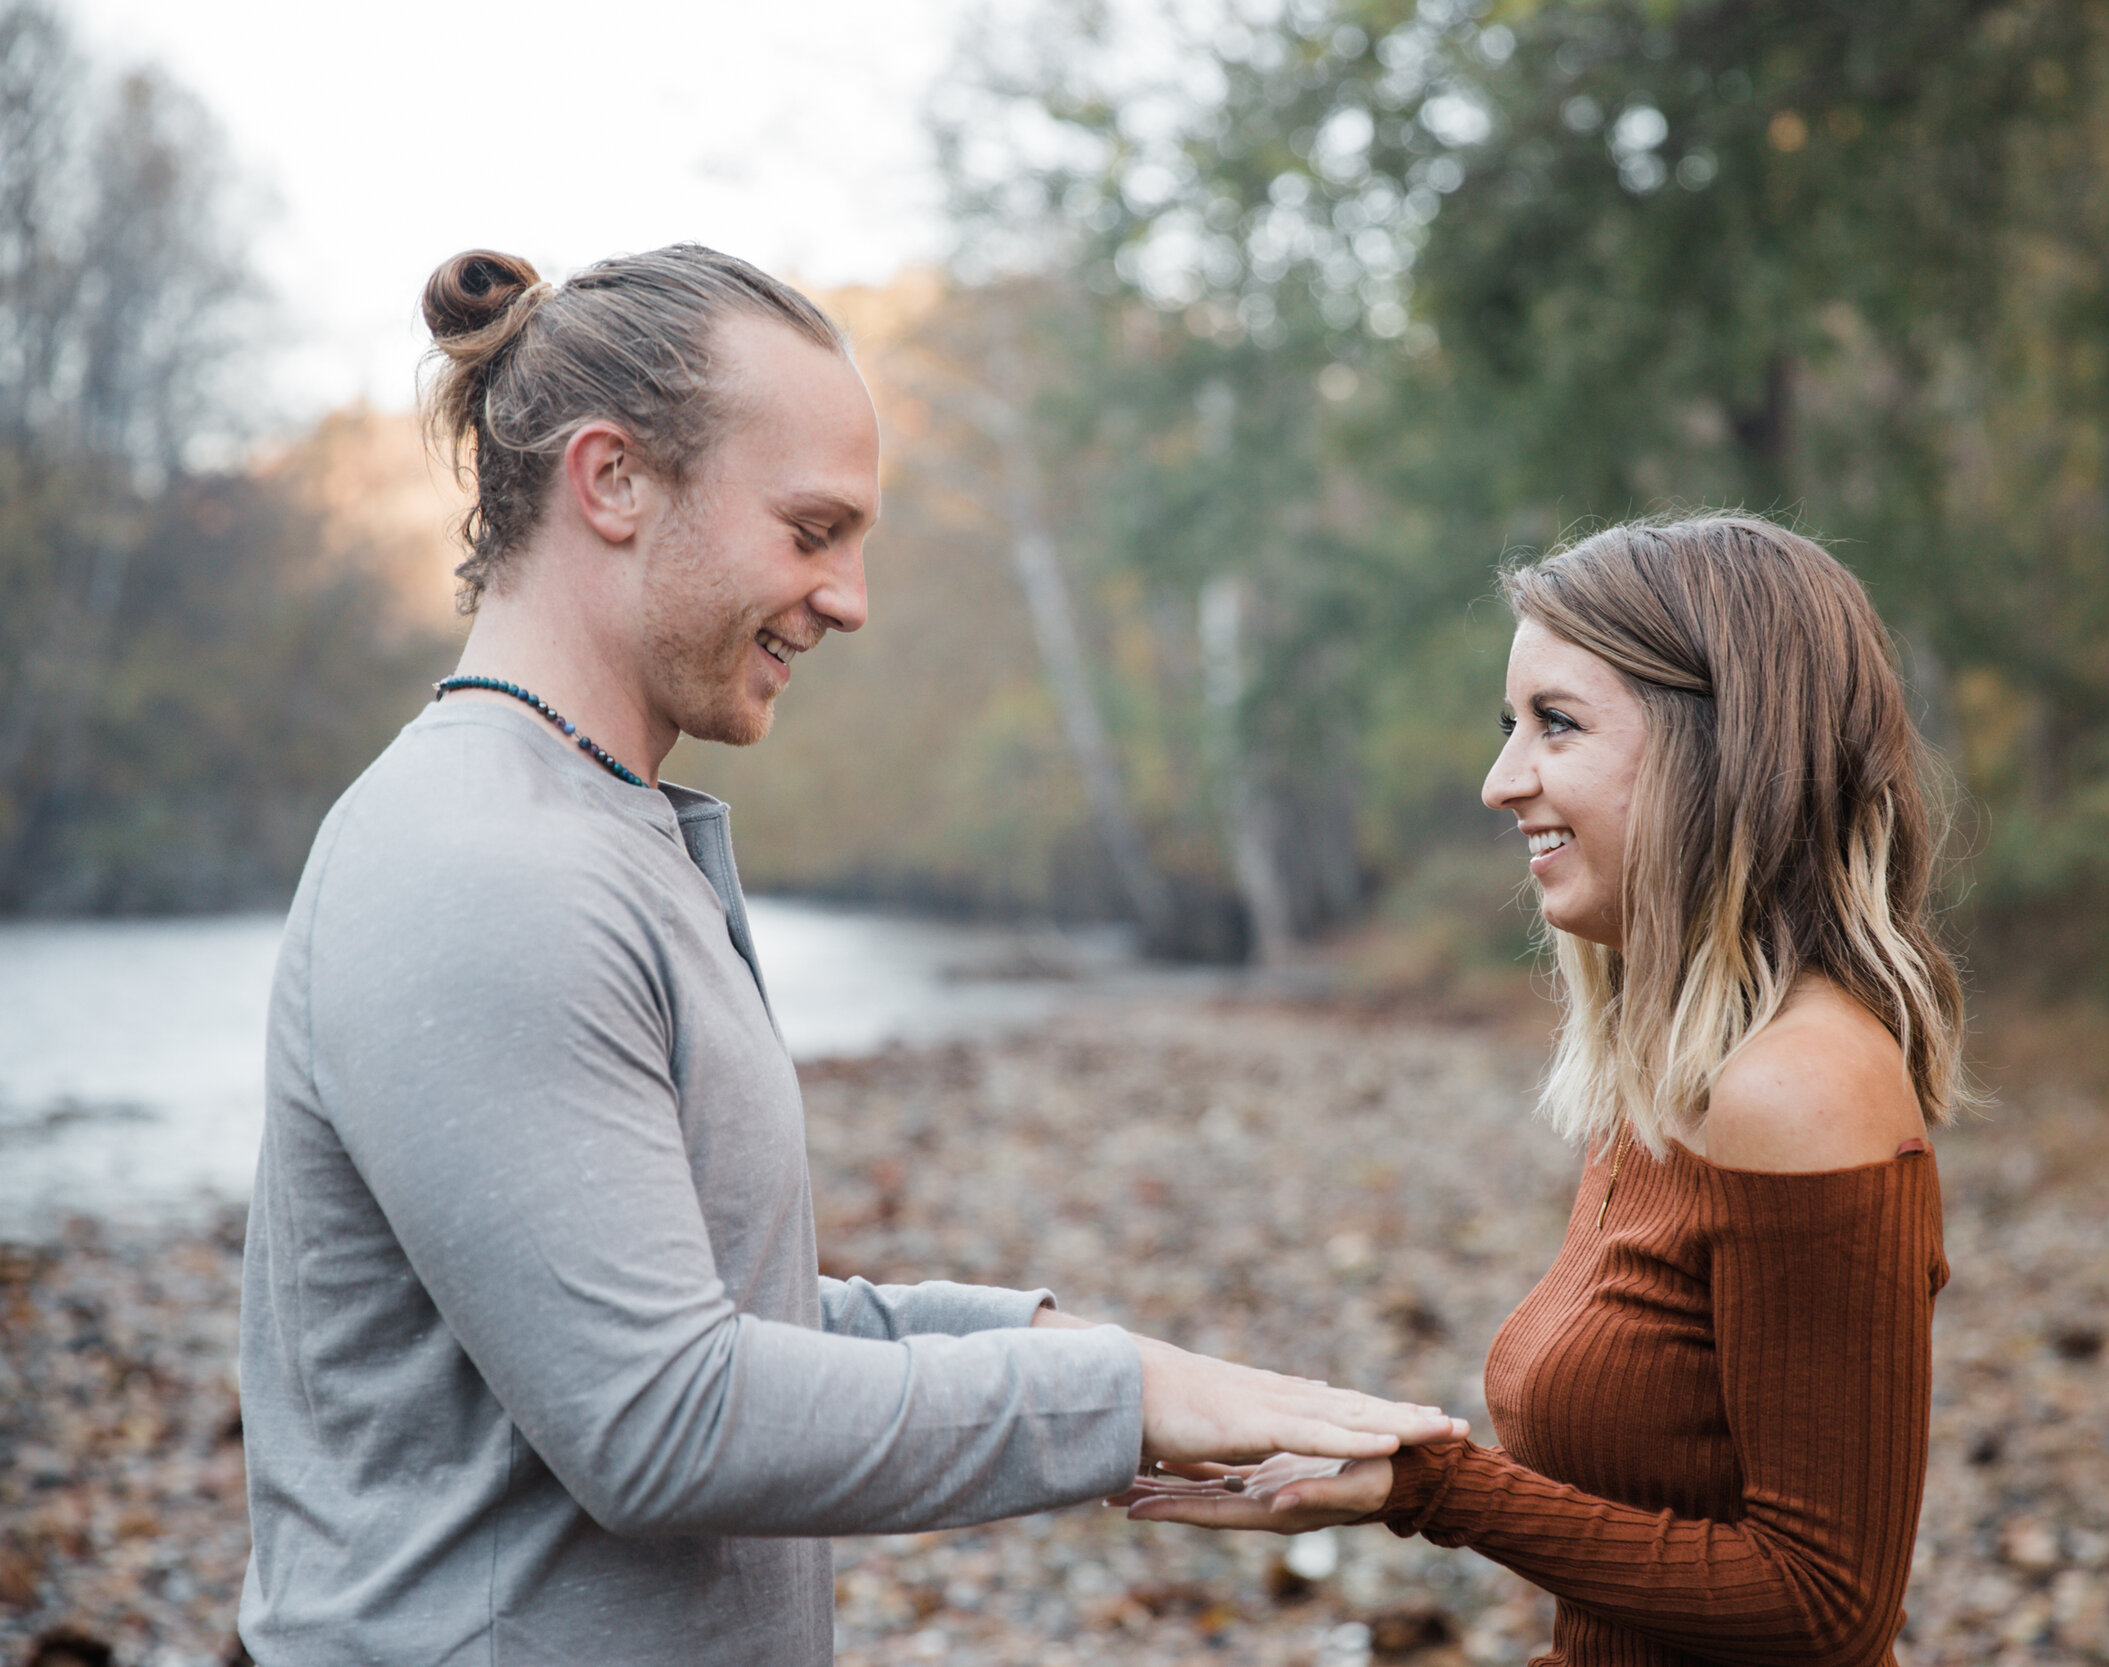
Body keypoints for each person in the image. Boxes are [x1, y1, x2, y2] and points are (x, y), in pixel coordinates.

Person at [235, 244, 1461, 1667]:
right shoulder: (484, 864)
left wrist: (1066, 1347)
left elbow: (698, 1313)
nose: (853, 599)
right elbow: (661, 1420)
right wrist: (1112, 1399)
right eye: (813, 529)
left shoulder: (591, 824)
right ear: (615, 480)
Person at [1122, 514, 1963, 1667]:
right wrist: (1377, 1455)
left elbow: (1823, 1604)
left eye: (1555, 724)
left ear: (1721, 748)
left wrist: (1438, 1490)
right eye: (1508, 725)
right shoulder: (1665, 1070)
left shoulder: (1800, 1084)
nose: (1497, 781)